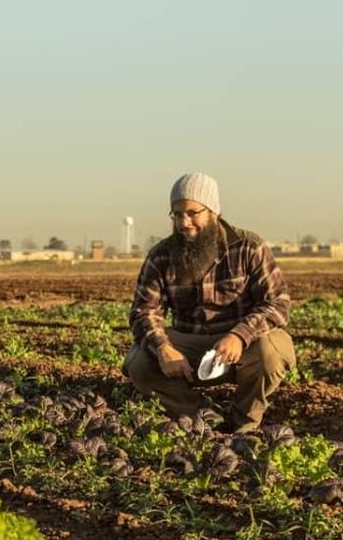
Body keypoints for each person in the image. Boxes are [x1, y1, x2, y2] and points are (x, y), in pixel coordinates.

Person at [123, 172, 295, 433]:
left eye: (193, 213)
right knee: (139, 360)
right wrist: (163, 348)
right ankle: (199, 415)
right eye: (177, 214)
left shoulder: (248, 247)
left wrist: (240, 336)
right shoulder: (161, 256)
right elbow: (143, 311)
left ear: (213, 211)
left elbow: (277, 303)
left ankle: (243, 423)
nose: (184, 223)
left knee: (271, 351)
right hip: (190, 344)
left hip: (242, 345)